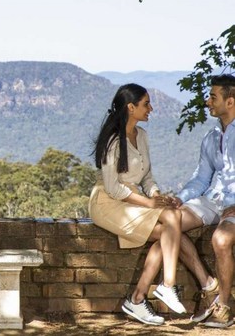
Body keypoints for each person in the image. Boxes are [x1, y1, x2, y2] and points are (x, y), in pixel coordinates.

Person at [89, 83, 187, 325]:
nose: (151, 108)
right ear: (131, 108)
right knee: (172, 220)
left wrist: (158, 196)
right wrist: (149, 203)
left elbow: (147, 177)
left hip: (132, 201)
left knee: (169, 227)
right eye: (146, 104)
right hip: (109, 204)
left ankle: (138, 298)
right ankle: (167, 285)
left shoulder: (142, 136)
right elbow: (113, 188)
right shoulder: (113, 141)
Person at [173, 74, 235, 328]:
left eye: (213, 97)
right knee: (166, 223)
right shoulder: (210, 137)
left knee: (220, 239)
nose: (207, 101)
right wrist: (179, 199)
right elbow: (201, 178)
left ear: (230, 101)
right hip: (213, 200)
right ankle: (210, 286)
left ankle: (226, 308)